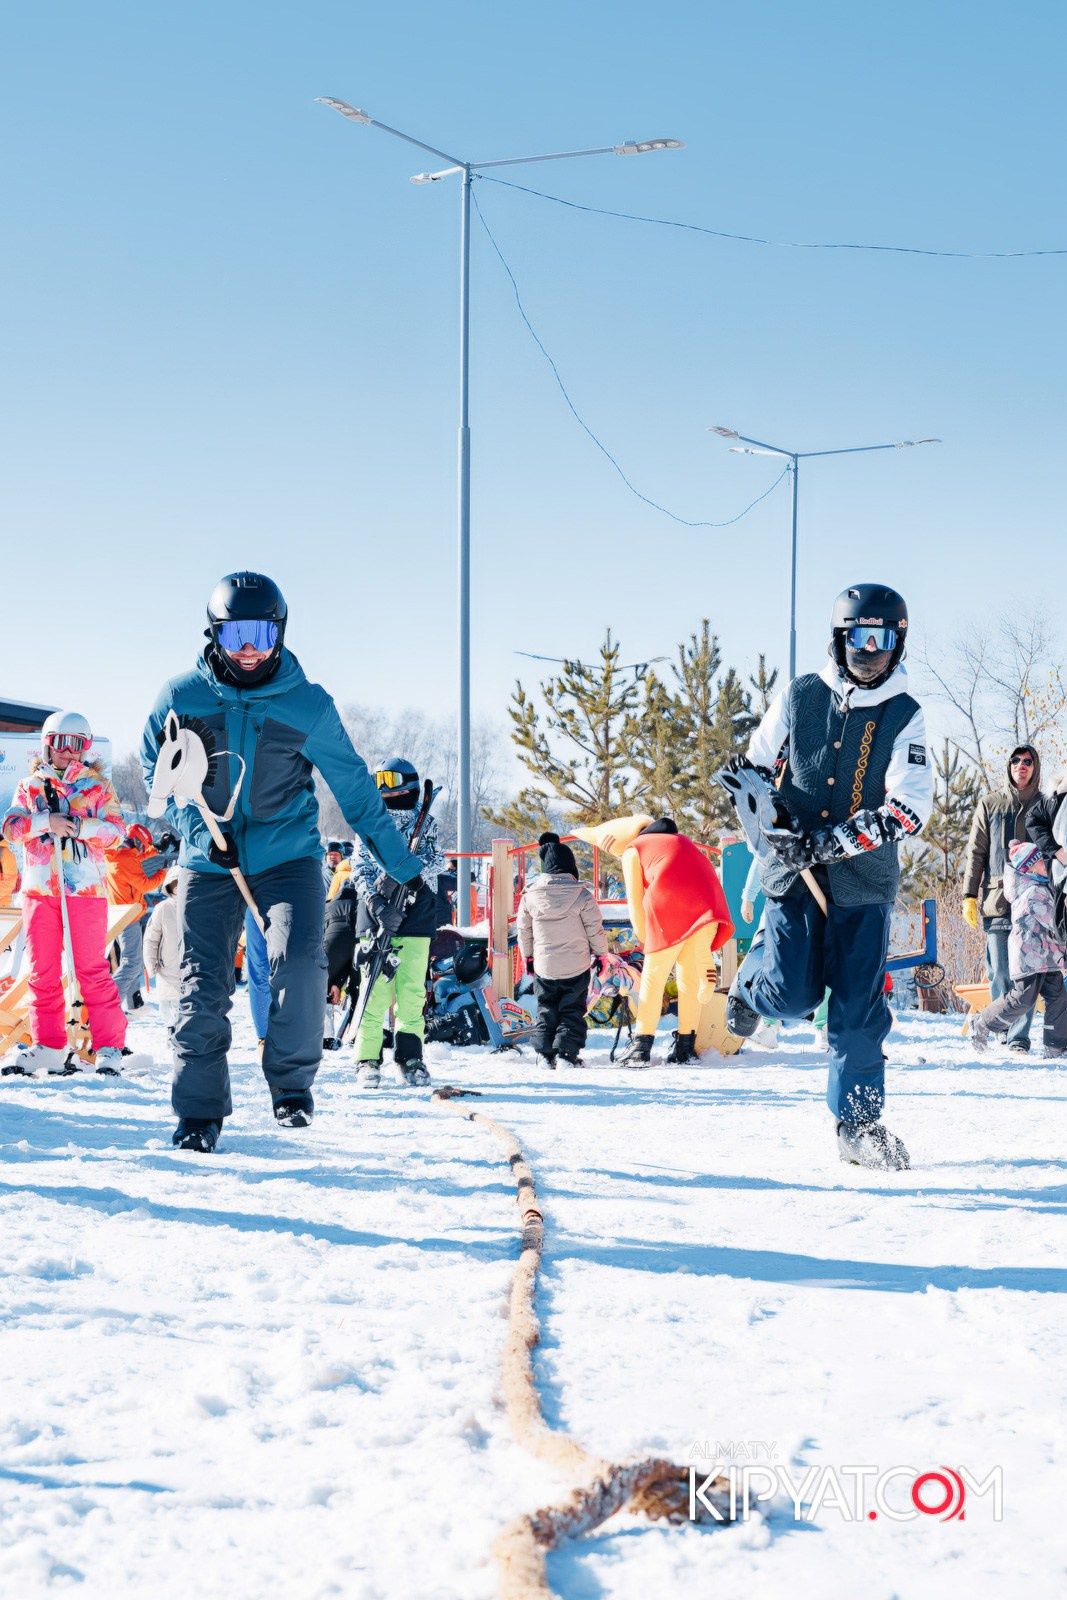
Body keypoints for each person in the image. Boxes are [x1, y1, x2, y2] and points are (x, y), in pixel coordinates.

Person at [140, 573, 424, 1151]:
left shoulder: (309, 704)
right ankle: (198, 1113)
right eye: (236, 633)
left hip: (288, 856)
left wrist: (403, 867)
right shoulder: (180, 697)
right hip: (208, 861)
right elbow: (160, 777)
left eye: (262, 633)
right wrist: (201, 832)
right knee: (204, 983)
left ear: (280, 631)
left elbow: (355, 790)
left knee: (298, 963)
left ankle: (291, 1088)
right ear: (215, 633)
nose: (250, 647)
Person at [724, 584, 933, 1170]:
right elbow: (757, 767)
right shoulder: (800, 696)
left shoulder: (905, 715)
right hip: (791, 875)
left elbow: (910, 807)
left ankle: (859, 1123)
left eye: (883, 640)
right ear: (838, 640)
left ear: (899, 643)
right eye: (859, 639)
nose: (871, 653)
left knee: (856, 1009)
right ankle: (749, 984)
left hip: (863, 885)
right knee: (791, 995)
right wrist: (760, 802)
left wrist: (836, 841)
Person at [1, 711, 127, 1074]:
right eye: (59, 742)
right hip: (40, 889)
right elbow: (11, 827)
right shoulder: (30, 786)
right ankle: (49, 1045)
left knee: (91, 969)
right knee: (42, 971)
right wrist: (45, 822)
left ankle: (109, 1047)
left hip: (84, 890)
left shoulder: (97, 787)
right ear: (47, 743)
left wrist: (79, 827)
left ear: (85, 747)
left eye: (76, 744)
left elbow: (116, 833)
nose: (66, 751)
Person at [573, 813, 733, 1065]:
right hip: (708, 911)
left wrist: (644, 936)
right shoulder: (685, 842)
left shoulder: (633, 850)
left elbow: (635, 902)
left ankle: (641, 1046)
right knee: (690, 979)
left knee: (653, 978)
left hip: (669, 912)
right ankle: (685, 1046)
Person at [348, 758, 445, 1088]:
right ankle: (367, 1059)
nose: (383, 787)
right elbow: (358, 867)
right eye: (379, 780)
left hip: (416, 916)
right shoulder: (369, 821)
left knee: (412, 993)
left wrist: (405, 876)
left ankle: (410, 1057)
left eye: (389, 779)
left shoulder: (425, 822)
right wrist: (376, 901)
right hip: (374, 916)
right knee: (374, 991)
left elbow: (436, 860)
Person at [961, 745, 1043, 1052]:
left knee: (1028, 971)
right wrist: (969, 895)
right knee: (999, 970)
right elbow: (976, 852)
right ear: (1008, 766)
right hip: (997, 900)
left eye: (1027, 761)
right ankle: (1001, 1027)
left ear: (1035, 767)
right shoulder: (990, 803)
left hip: (1034, 902)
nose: (1021, 766)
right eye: (1016, 761)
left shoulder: (1046, 805)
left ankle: (1019, 1037)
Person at [516, 831, 608, 1068]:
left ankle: (544, 1054)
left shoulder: (530, 896)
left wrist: (528, 957)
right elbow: (595, 930)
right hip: (575, 966)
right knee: (572, 1009)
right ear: (571, 866)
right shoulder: (582, 896)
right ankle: (566, 1053)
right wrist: (601, 954)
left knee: (546, 1008)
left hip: (544, 966)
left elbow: (524, 932)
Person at [969, 840, 1067, 1056]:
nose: (1047, 864)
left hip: (1047, 956)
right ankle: (982, 1024)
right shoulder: (1033, 893)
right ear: (1030, 866)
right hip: (1029, 957)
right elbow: (1056, 923)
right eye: (1042, 861)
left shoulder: (1041, 885)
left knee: (1058, 998)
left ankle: (1056, 1044)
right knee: (1022, 999)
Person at [105, 823, 176, 1011]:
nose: (143, 850)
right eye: (143, 845)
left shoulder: (117, 854)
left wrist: (156, 849)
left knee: (130, 961)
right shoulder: (126, 860)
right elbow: (146, 885)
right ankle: (109, 1006)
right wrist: (165, 872)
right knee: (132, 963)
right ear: (136, 841)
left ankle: (134, 1003)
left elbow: (137, 856)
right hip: (128, 917)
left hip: (119, 914)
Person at [143, 866, 181, 1028]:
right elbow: (151, 939)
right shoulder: (163, 908)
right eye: (175, 885)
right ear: (169, 887)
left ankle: (186, 1041)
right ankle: (172, 1035)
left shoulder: (196, 908)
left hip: (191, 970)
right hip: (167, 970)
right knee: (169, 1010)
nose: (179, 888)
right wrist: (151, 964)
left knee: (189, 1011)